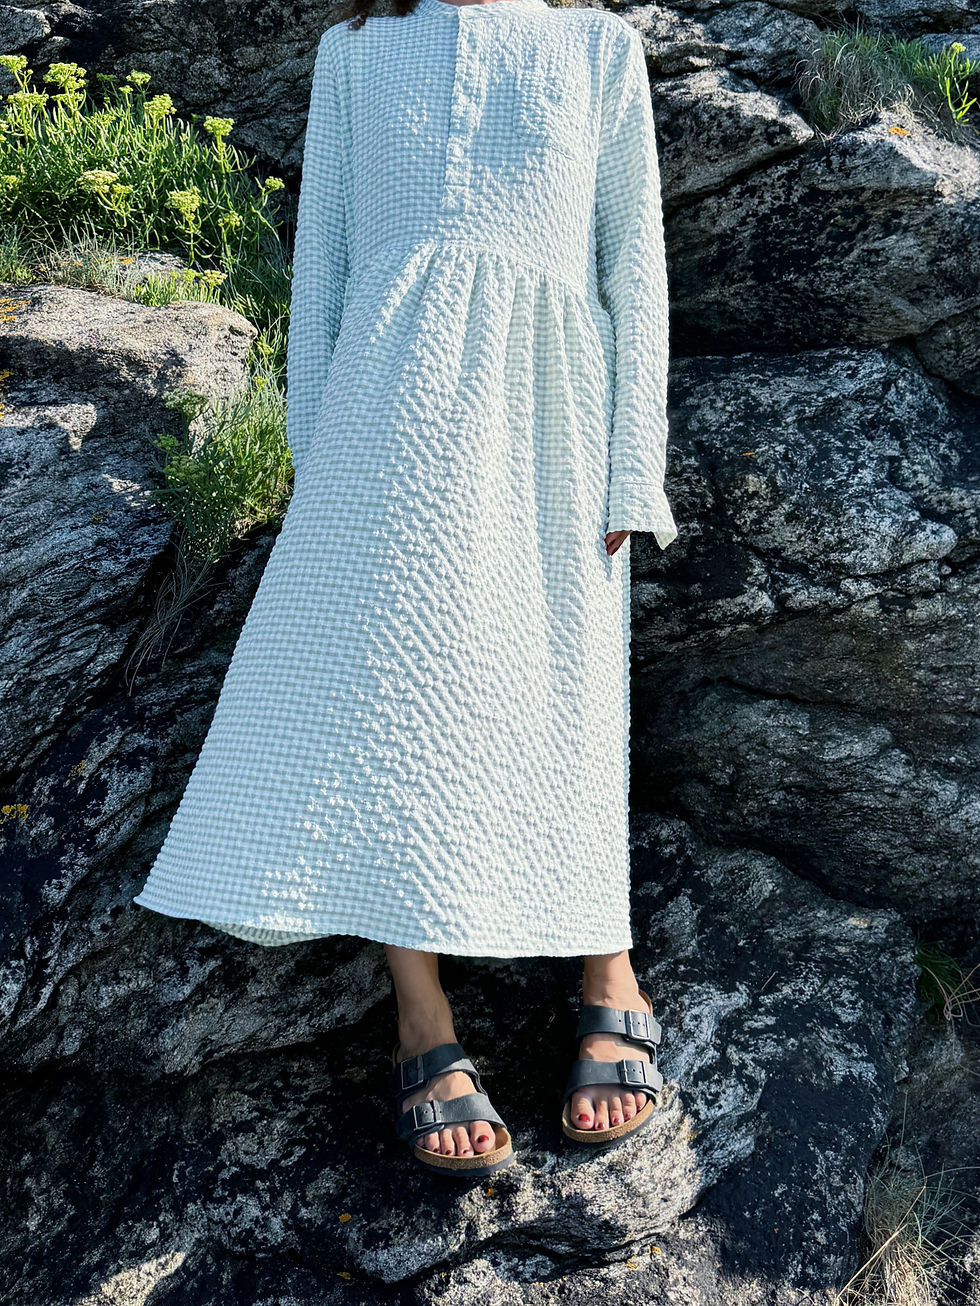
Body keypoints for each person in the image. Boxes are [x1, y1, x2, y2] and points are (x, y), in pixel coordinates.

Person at [133, 0, 678, 1177]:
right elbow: (322, 260)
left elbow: (633, 266)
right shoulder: (355, 52)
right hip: (383, 419)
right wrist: (317, 454)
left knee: (563, 680)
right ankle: (420, 1015)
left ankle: (606, 959)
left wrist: (634, 465)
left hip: (552, 412)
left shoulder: (597, 48)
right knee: (393, 706)